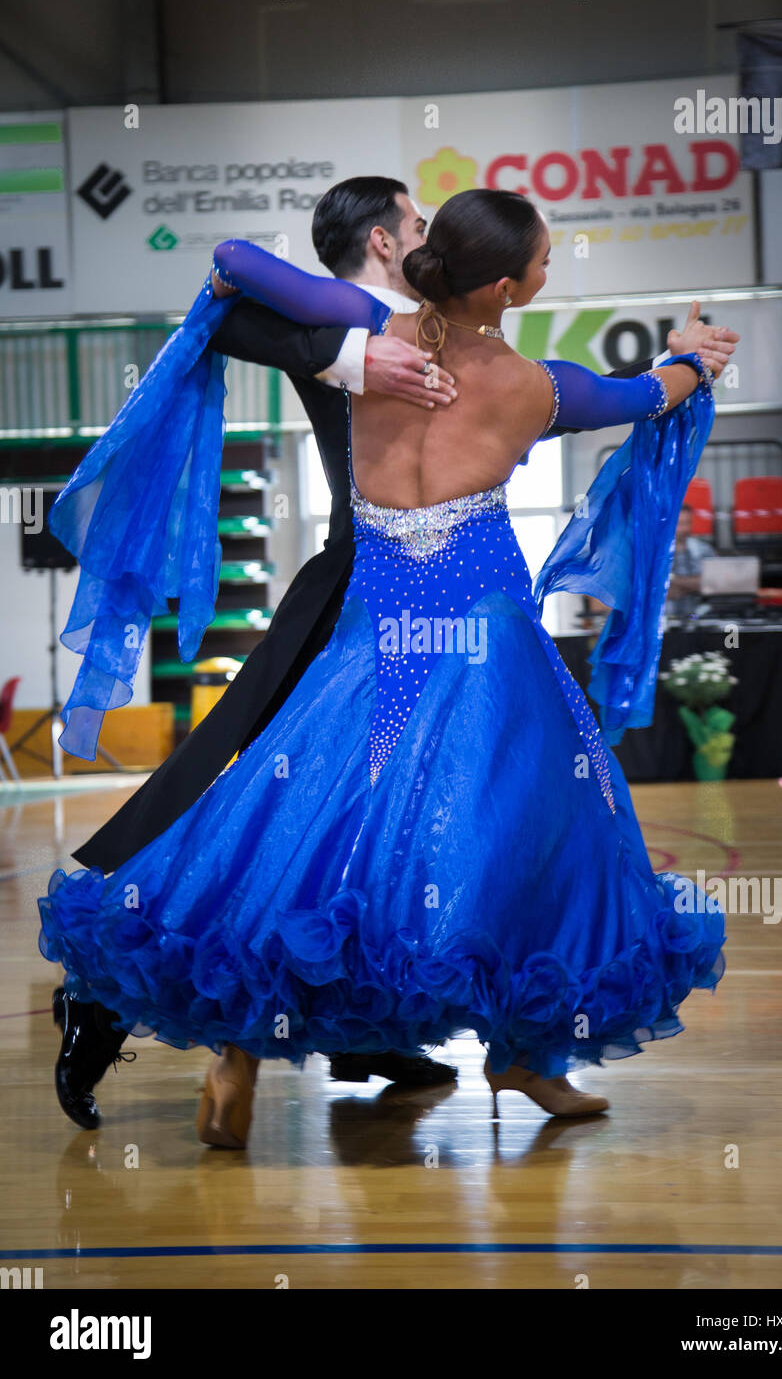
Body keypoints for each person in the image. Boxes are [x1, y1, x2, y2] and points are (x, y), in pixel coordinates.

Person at [39, 189, 725, 1146]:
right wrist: (692, 355)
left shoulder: (366, 327)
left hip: (369, 630)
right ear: (504, 286)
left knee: (301, 828)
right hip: (485, 644)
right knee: (542, 833)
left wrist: (357, 358)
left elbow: (235, 259)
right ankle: (530, 1052)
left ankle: (237, 1053)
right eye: (544, 262)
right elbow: (649, 397)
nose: (548, 271)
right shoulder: (539, 386)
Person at [668, 502, 715, 616]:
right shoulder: (657, 554)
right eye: (680, 524)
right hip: (666, 615)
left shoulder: (704, 549)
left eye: (688, 523)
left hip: (699, 613)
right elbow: (661, 590)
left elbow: (712, 584)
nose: (685, 528)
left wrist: (673, 580)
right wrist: (694, 585)